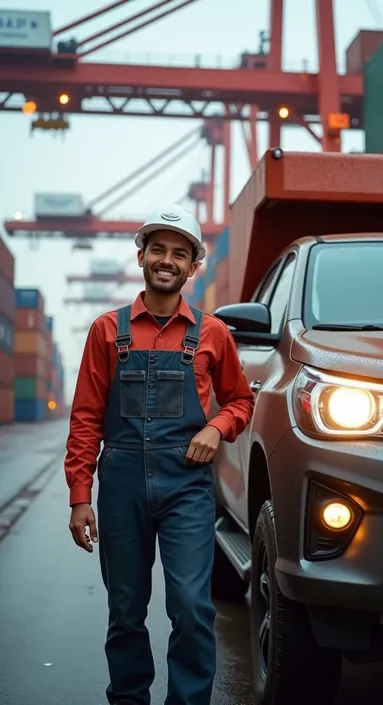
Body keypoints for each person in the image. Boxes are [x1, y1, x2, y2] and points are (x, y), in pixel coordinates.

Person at [64, 204, 255, 705]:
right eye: (157, 250)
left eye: (179, 253)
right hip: (122, 479)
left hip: (186, 483)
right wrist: (79, 495)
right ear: (142, 256)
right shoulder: (108, 330)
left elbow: (241, 400)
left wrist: (217, 427)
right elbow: (85, 416)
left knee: (192, 606)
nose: (166, 260)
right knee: (126, 611)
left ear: (193, 266)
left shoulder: (212, 333)